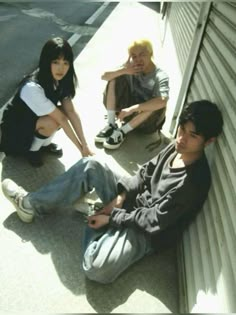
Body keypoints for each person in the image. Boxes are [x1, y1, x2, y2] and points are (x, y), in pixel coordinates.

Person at [2, 100, 223, 284]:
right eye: (182, 130)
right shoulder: (177, 146)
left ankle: (94, 214)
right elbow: (144, 174)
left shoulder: (193, 182)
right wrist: (116, 202)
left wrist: (110, 216)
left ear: (209, 141)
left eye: (192, 136)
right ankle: (30, 204)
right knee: (91, 165)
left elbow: (152, 220)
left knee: (96, 269)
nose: (182, 138)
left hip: (146, 232)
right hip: (132, 205)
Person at [0, 37, 93, 167]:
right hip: (15, 134)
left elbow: (71, 112)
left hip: (32, 122)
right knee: (54, 120)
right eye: (56, 62)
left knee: (62, 112)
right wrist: (81, 149)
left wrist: (85, 145)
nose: (61, 68)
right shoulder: (32, 88)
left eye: (65, 63)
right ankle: (32, 151)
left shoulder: (60, 80)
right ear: (46, 61)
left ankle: (44, 144)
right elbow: (61, 119)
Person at [94, 38, 169, 149]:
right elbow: (104, 76)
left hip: (147, 123)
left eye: (142, 54)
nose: (138, 59)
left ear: (150, 53)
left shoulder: (160, 75)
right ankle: (111, 124)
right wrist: (123, 70)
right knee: (114, 77)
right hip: (127, 115)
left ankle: (122, 132)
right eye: (134, 56)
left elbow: (163, 101)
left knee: (157, 104)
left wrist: (133, 109)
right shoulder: (131, 68)